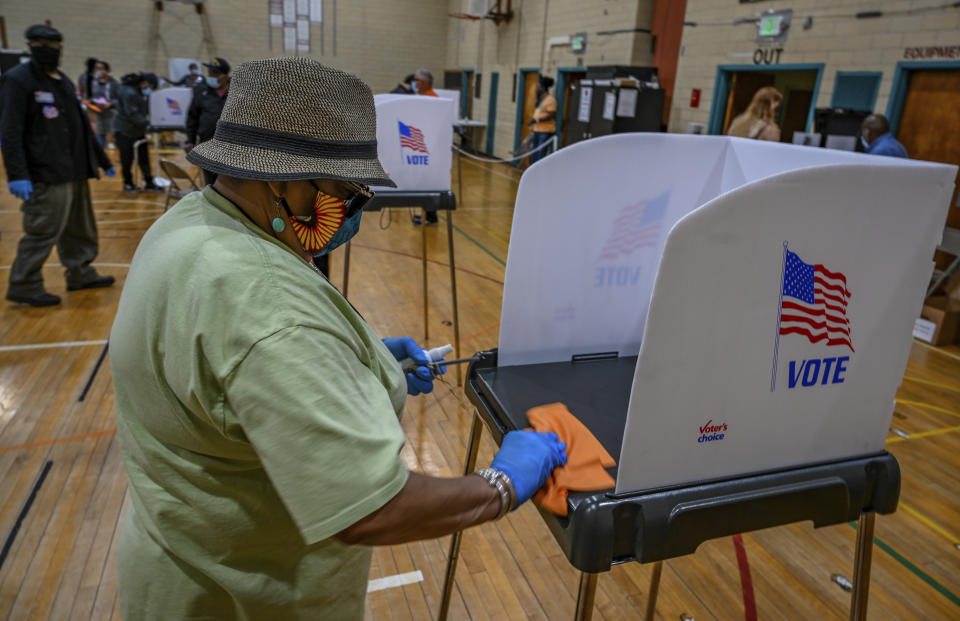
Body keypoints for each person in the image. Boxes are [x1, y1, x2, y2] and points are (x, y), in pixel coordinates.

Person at [109, 56, 567, 620]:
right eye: (345, 191)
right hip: (249, 598)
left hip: (184, 564)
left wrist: (364, 364)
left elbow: (232, 384)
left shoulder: (193, 223)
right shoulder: (270, 312)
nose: (351, 209)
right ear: (282, 180)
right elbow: (371, 510)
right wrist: (501, 483)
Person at [0, 25, 116, 307]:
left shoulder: (62, 80)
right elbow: (10, 131)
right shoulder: (18, 80)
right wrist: (17, 174)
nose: (46, 48)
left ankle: (80, 273)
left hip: (75, 169)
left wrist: (101, 160)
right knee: (43, 228)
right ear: (29, 45)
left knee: (80, 227)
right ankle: (25, 283)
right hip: (46, 171)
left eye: (52, 44)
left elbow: (81, 126)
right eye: (39, 43)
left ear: (61, 48)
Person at [185, 57, 230, 185]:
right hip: (207, 144)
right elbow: (192, 117)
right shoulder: (201, 91)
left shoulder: (235, 92)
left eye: (216, 74)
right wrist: (190, 140)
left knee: (227, 184)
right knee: (210, 183)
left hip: (230, 146)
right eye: (210, 73)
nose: (211, 76)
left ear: (225, 76)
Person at [114, 72, 160, 192]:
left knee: (143, 157)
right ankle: (128, 183)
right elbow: (132, 114)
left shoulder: (139, 92)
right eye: (151, 86)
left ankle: (149, 182)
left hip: (137, 130)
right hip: (124, 130)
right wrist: (148, 124)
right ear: (144, 83)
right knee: (127, 159)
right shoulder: (129, 92)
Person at [87, 61, 118, 148]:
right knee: (100, 134)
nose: (98, 71)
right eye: (97, 69)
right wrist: (90, 102)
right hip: (97, 112)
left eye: (101, 69)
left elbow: (119, 99)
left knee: (112, 131)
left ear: (107, 70)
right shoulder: (93, 83)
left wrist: (111, 103)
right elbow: (89, 97)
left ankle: (112, 142)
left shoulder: (114, 84)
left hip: (111, 112)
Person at [528, 75, 557, 165]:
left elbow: (552, 115)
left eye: (538, 86)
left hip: (545, 132)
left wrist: (536, 120)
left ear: (542, 87)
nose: (537, 88)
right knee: (534, 153)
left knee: (540, 154)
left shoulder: (550, 100)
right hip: (537, 130)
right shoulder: (541, 99)